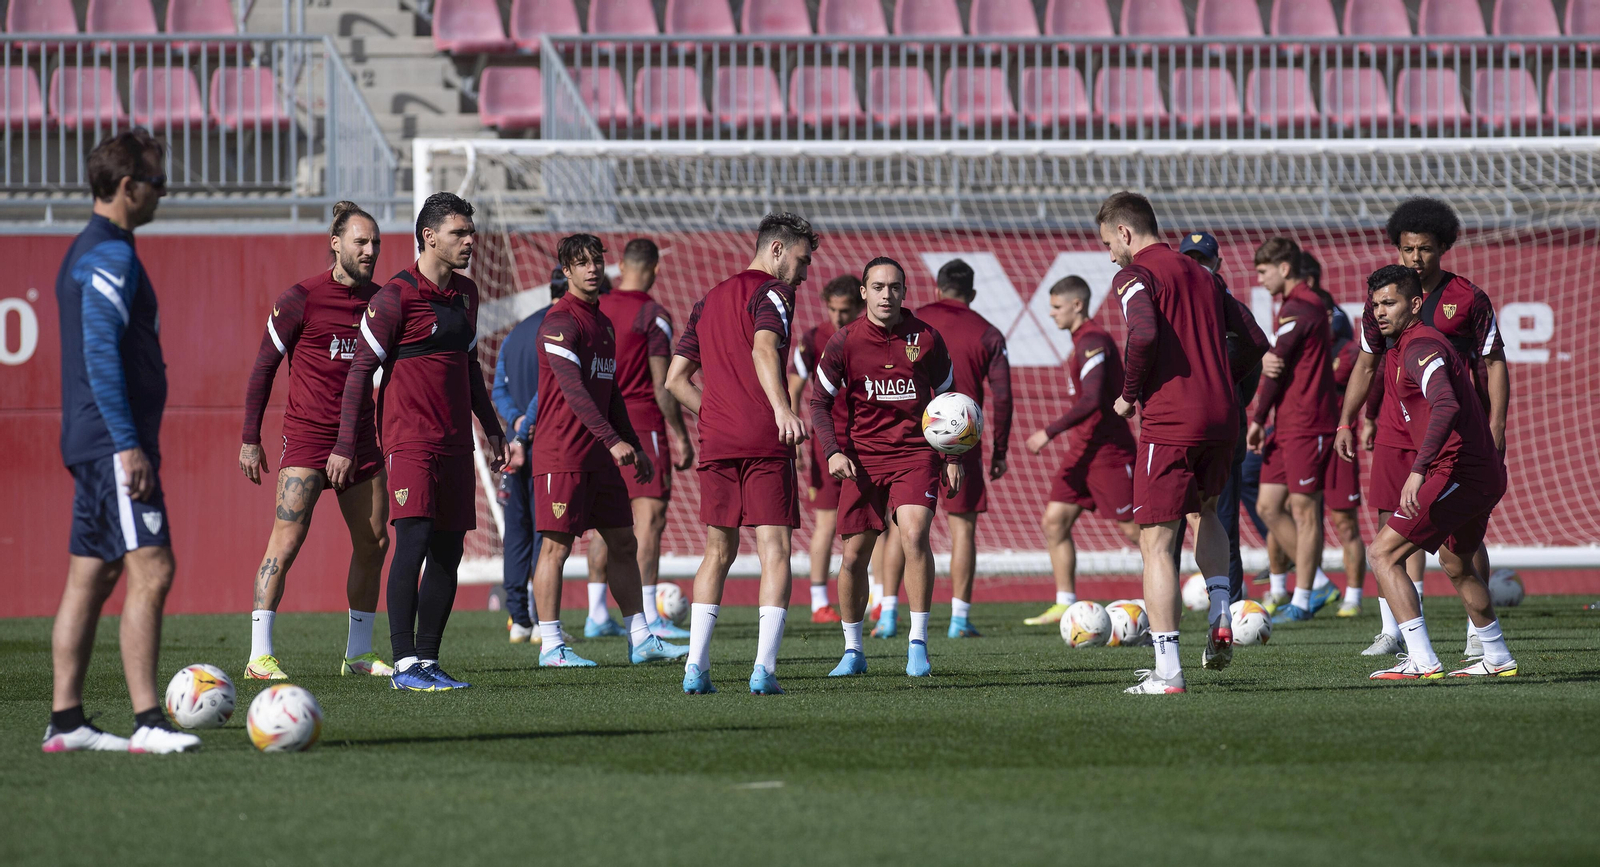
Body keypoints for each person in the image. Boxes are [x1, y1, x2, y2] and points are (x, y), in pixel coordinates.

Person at [45, 129, 199, 754]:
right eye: (158, 183)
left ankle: (67, 722)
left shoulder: (96, 249)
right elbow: (100, 354)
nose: (164, 193)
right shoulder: (110, 255)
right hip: (115, 444)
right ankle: (148, 723)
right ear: (128, 186)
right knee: (153, 568)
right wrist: (128, 444)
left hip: (100, 441)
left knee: (93, 574)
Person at [333, 192, 508, 691]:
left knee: (449, 550)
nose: (470, 241)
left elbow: (470, 369)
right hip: (410, 441)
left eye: (470, 233)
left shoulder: (469, 295)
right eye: (459, 233)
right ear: (429, 237)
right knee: (413, 541)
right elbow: (359, 372)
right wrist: (347, 444)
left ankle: (427, 661)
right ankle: (404, 663)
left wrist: (491, 429)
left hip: (457, 443)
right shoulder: (396, 296)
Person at [1100, 192, 1267, 694]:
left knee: (1156, 540)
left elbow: (1144, 335)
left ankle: (1168, 670)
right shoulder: (1206, 276)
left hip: (1173, 420)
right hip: (1224, 416)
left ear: (1126, 234)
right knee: (1208, 511)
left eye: (1109, 243)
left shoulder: (1136, 275)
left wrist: (1130, 396)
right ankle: (1221, 610)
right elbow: (1256, 341)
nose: (1110, 254)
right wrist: (1218, 379)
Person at [1332, 198, 1508, 658]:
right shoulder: (1383, 300)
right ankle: (1401, 630)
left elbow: (1490, 365)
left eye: (1425, 249)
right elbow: (1367, 365)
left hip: (1450, 434)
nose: (1415, 257)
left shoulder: (1466, 299)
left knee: (1456, 539)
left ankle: (1462, 641)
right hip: (1399, 425)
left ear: (1442, 248)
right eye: (1408, 248)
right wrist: (1351, 419)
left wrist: (1497, 425)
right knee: (1395, 521)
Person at [239, 202, 393, 681]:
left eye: (375, 244)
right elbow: (263, 367)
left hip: (362, 442)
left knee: (375, 543)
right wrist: (250, 439)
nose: (369, 251)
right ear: (336, 243)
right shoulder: (301, 298)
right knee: (286, 542)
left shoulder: (383, 301)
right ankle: (259, 658)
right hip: (307, 440)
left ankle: (359, 654)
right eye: (360, 242)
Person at [666, 213, 816, 695]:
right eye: (802, 260)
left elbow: (674, 381)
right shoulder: (774, 292)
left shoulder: (708, 299)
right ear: (776, 250)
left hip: (718, 440)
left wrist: (712, 415)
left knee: (717, 551)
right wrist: (781, 409)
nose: (805, 273)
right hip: (762, 440)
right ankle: (764, 671)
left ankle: (696, 669)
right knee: (774, 550)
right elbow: (764, 349)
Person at [523, 235, 686, 668]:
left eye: (597, 261)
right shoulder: (559, 322)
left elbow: (610, 392)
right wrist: (612, 440)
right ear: (567, 271)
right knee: (555, 549)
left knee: (623, 541)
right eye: (582, 263)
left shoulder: (604, 323)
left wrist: (630, 441)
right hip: (564, 454)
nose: (593, 268)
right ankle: (551, 646)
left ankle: (640, 637)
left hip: (600, 455)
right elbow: (573, 391)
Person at [1361, 265, 1515, 679]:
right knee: (1457, 562)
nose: (1379, 311)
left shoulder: (1420, 345)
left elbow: (1445, 404)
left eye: (1389, 302)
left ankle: (1422, 660)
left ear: (1415, 304)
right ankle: (1498, 657)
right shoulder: (1401, 348)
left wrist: (1418, 471)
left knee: (1381, 554)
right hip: (1478, 473)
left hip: (1459, 471)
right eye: (1375, 304)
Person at [810, 258, 962, 679]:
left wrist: (952, 456)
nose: (886, 295)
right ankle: (853, 649)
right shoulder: (843, 342)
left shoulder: (927, 338)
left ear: (904, 292)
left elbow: (951, 401)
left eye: (894, 287)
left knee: (914, 534)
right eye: (877, 287)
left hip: (916, 454)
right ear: (863, 292)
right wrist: (832, 452)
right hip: (862, 460)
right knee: (855, 556)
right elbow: (817, 403)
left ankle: (917, 645)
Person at [870, 259, 1011, 639]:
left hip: (908, 439)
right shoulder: (988, 332)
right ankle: (959, 619)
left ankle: (887, 614)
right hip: (960, 442)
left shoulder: (915, 324)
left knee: (902, 528)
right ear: (973, 293)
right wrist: (1000, 449)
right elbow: (1003, 394)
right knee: (962, 529)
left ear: (936, 289)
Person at [587, 238, 695, 641]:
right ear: (653, 269)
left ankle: (597, 612)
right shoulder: (652, 313)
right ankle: (650, 615)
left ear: (619, 265)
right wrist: (681, 435)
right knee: (648, 519)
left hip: (599, 424)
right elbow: (664, 384)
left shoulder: (597, 306)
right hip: (641, 421)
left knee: (605, 520)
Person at [1022, 276, 1140, 625]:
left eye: (1057, 306)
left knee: (1136, 530)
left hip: (1108, 453)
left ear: (1077, 305)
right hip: (1082, 453)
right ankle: (1065, 602)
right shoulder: (1080, 341)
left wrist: (1049, 431)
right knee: (1054, 521)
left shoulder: (1093, 340)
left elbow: (1091, 400)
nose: (1051, 314)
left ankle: (1167, 590)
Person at [1245, 238, 1342, 625]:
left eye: (1264, 271)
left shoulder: (1301, 306)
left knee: (1304, 509)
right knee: (1268, 505)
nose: (1260, 279)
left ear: (1284, 268)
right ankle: (1318, 583)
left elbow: (1275, 367)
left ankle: (1302, 599)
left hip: (1308, 421)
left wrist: (1256, 419)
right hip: (1287, 423)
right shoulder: (1296, 306)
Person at [491, 266, 567, 644]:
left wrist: (515, 423)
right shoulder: (563, 330)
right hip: (545, 444)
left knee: (516, 533)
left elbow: (498, 390)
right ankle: (541, 619)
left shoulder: (516, 333)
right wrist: (527, 426)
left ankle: (518, 619)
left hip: (512, 449)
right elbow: (553, 386)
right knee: (546, 534)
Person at [788, 274, 865, 623]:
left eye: (845, 310)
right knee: (826, 521)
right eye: (832, 309)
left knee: (873, 520)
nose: (837, 317)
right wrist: (796, 434)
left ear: (860, 307)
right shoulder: (815, 338)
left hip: (869, 438)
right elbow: (793, 386)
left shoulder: (873, 336)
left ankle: (879, 598)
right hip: (828, 440)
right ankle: (819, 601)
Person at [1301, 251, 1368, 617]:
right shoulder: (1304, 352)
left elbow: (1350, 383)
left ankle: (1354, 596)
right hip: (1306, 440)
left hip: (1339, 441)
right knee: (1287, 509)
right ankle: (1302, 589)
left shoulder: (1346, 350)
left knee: (1345, 520)